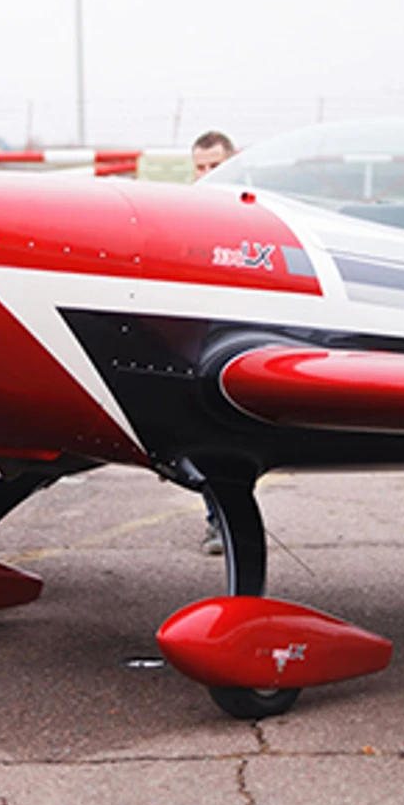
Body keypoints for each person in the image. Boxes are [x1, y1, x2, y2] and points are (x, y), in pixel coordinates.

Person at [190, 131, 238, 554]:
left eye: (215, 167)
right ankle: (217, 522)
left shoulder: (252, 213)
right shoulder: (186, 214)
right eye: (201, 167)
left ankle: (223, 524)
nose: (206, 176)